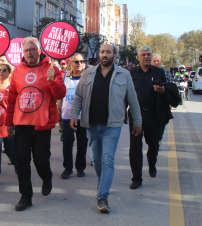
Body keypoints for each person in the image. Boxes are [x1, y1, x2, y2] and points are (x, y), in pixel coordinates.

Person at [70, 44, 142, 213]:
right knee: (95, 159)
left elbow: (132, 100)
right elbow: (79, 96)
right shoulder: (88, 73)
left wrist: (138, 122)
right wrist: (74, 114)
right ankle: (102, 181)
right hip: (92, 124)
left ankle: (103, 196)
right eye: (102, 52)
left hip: (113, 125)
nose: (104, 55)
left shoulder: (124, 74)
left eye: (108, 52)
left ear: (114, 56)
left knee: (107, 158)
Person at [5, 37, 66, 211]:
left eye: (32, 49)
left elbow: (60, 94)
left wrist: (53, 80)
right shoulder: (17, 71)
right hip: (21, 124)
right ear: (22, 53)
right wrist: (8, 121)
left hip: (42, 124)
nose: (29, 53)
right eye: (26, 50)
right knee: (22, 161)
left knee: (40, 160)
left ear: (39, 50)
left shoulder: (51, 68)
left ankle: (47, 178)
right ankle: (26, 196)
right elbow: (12, 98)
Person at [128, 46, 168, 189]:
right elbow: (126, 93)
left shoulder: (159, 72)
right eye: (143, 54)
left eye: (148, 54)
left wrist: (163, 90)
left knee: (154, 144)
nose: (146, 57)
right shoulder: (131, 73)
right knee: (135, 147)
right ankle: (137, 178)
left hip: (153, 114)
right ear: (138, 57)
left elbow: (167, 90)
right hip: (136, 114)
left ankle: (152, 163)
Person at [0, 63, 18, 187]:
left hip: (8, 124)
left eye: (4, 70)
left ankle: (18, 166)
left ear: (9, 73)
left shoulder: (13, 88)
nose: (1, 72)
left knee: (11, 149)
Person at [60, 54, 88, 179]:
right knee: (67, 142)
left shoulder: (88, 77)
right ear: (70, 63)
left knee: (82, 143)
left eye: (81, 61)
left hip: (83, 116)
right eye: (76, 61)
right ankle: (68, 167)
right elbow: (60, 96)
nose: (79, 63)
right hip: (67, 116)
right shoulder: (64, 77)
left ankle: (80, 167)